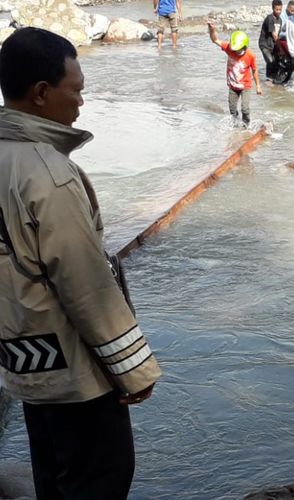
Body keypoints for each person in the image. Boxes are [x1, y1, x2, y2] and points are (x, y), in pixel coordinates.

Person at [0, 28, 161, 499]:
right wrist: (134, 371)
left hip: (25, 361)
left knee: (54, 478)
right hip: (76, 374)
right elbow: (85, 285)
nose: (81, 103)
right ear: (43, 94)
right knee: (100, 480)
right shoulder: (49, 174)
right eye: (77, 90)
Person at [207, 24, 262, 126]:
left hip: (245, 86)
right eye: (234, 49)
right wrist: (212, 30)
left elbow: (254, 70)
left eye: (238, 49)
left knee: (245, 109)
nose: (235, 51)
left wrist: (258, 86)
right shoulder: (229, 48)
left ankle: (246, 127)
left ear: (244, 46)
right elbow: (215, 40)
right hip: (232, 86)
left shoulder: (250, 56)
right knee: (232, 110)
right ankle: (236, 127)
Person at [258, 0, 283, 81]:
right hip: (264, 44)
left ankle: (274, 79)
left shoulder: (280, 20)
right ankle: (268, 79)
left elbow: (279, 35)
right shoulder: (270, 18)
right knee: (270, 61)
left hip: (272, 45)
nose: (278, 11)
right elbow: (274, 35)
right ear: (273, 8)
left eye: (280, 9)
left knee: (277, 62)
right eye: (277, 9)